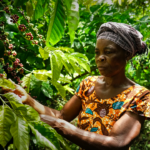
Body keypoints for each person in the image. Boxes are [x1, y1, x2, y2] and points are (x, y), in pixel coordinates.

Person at [3, 22, 150, 150]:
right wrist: (28, 99)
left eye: (108, 52)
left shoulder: (140, 96)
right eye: (97, 53)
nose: (100, 58)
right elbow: (62, 115)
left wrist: (60, 126)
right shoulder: (88, 84)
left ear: (127, 55)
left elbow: (117, 142)